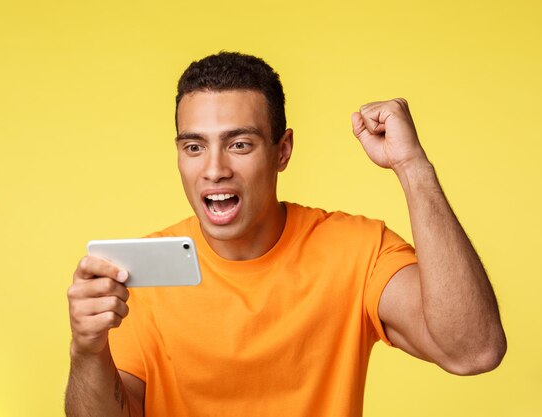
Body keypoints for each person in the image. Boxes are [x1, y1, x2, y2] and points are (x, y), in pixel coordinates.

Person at [65, 52, 507, 417]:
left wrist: (413, 167)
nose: (215, 169)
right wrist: (87, 350)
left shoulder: (355, 252)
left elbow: (474, 351)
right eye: (194, 146)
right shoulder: (139, 274)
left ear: (283, 151)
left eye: (240, 144)